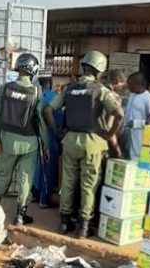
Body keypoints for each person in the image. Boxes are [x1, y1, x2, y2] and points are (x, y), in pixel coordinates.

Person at [44, 51, 123, 238]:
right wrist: (108, 134)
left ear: (84, 67)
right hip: (93, 142)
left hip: (70, 141)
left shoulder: (69, 89)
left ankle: (64, 223)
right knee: (89, 185)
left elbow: (47, 111)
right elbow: (119, 114)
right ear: (100, 71)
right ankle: (84, 227)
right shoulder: (101, 91)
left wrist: (58, 132)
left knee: (68, 182)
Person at [0, 53, 48, 226]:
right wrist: (45, 146)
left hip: (8, 140)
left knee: (4, 176)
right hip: (29, 143)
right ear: (33, 70)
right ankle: (20, 216)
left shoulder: (6, 87)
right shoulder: (37, 91)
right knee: (26, 179)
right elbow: (40, 120)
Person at [32, 76, 60, 209]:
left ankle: (34, 195)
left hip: (34, 138)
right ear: (50, 83)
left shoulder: (35, 96)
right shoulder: (55, 97)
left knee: (35, 168)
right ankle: (44, 199)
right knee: (48, 170)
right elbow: (58, 120)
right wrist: (59, 134)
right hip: (50, 138)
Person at [124, 72, 150, 160]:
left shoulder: (148, 99)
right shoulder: (132, 95)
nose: (128, 87)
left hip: (139, 135)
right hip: (128, 133)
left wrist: (136, 123)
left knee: (135, 158)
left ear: (137, 84)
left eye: (130, 85)